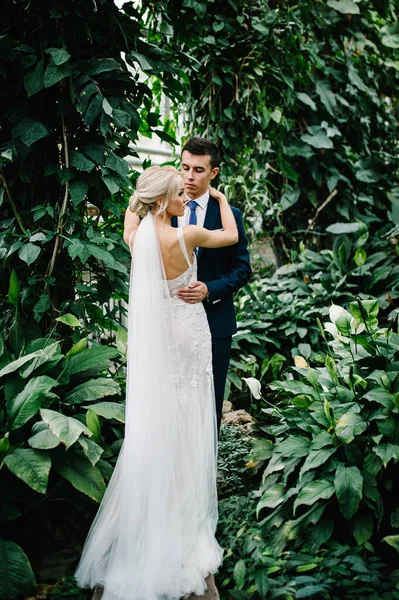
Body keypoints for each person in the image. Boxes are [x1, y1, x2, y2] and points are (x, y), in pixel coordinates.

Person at [75, 166, 239, 600]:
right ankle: (183, 520)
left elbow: (132, 214)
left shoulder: (139, 238)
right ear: (162, 200)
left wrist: (144, 198)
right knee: (189, 421)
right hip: (188, 337)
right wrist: (219, 201)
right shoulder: (186, 236)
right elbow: (230, 238)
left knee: (165, 421)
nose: (185, 197)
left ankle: (157, 514)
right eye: (177, 194)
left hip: (160, 342)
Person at [172, 138, 251, 432]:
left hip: (215, 322)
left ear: (214, 173)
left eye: (198, 170)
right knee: (173, 399)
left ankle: (206, 475)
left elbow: (242, 269)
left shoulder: (231, 216)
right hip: (172, 321)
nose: (189, 177)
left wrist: (210, 289)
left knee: (210, 402)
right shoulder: (166, 210)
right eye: (185, 168)